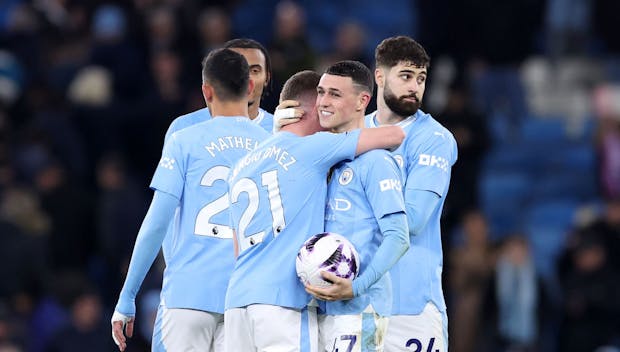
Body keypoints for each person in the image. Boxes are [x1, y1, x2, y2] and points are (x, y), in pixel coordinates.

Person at [224, 70, 405, 351]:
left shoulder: (242, 165)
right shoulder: (313, 150)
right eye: (320, 96)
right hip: (284, 302)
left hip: (237, 302)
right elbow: (395, 134)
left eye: (333, 95)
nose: (325, 108)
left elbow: (237, 249)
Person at [111, 48, 270, 352]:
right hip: (248, 298)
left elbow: (157, 222)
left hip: (189, 294)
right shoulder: (273, 144)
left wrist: (128, 295)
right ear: (249, 87)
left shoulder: (184, 139)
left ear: (206, 91)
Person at [303, 61, 410, 352]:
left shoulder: (376, 162)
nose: (323, 102)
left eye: (335, 94)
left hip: (358, 310)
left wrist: (356, 287)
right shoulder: (324, 162)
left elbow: (399, 237)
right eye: (321, 92)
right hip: (319, 309)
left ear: (363, 101)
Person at [368, 36, 458, 352]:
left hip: (412, 306)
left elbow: (413, 219)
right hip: (361, 309)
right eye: (406, 76)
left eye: (421, 79)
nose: (415, 87)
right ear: (380, 76)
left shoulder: (434, 139)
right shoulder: (355, 133)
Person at [163, 38, 274, 143]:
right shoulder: (183, 128)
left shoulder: (281, 131)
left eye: (254, 70)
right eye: (235, 70)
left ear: (267, 78)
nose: (245, 78)